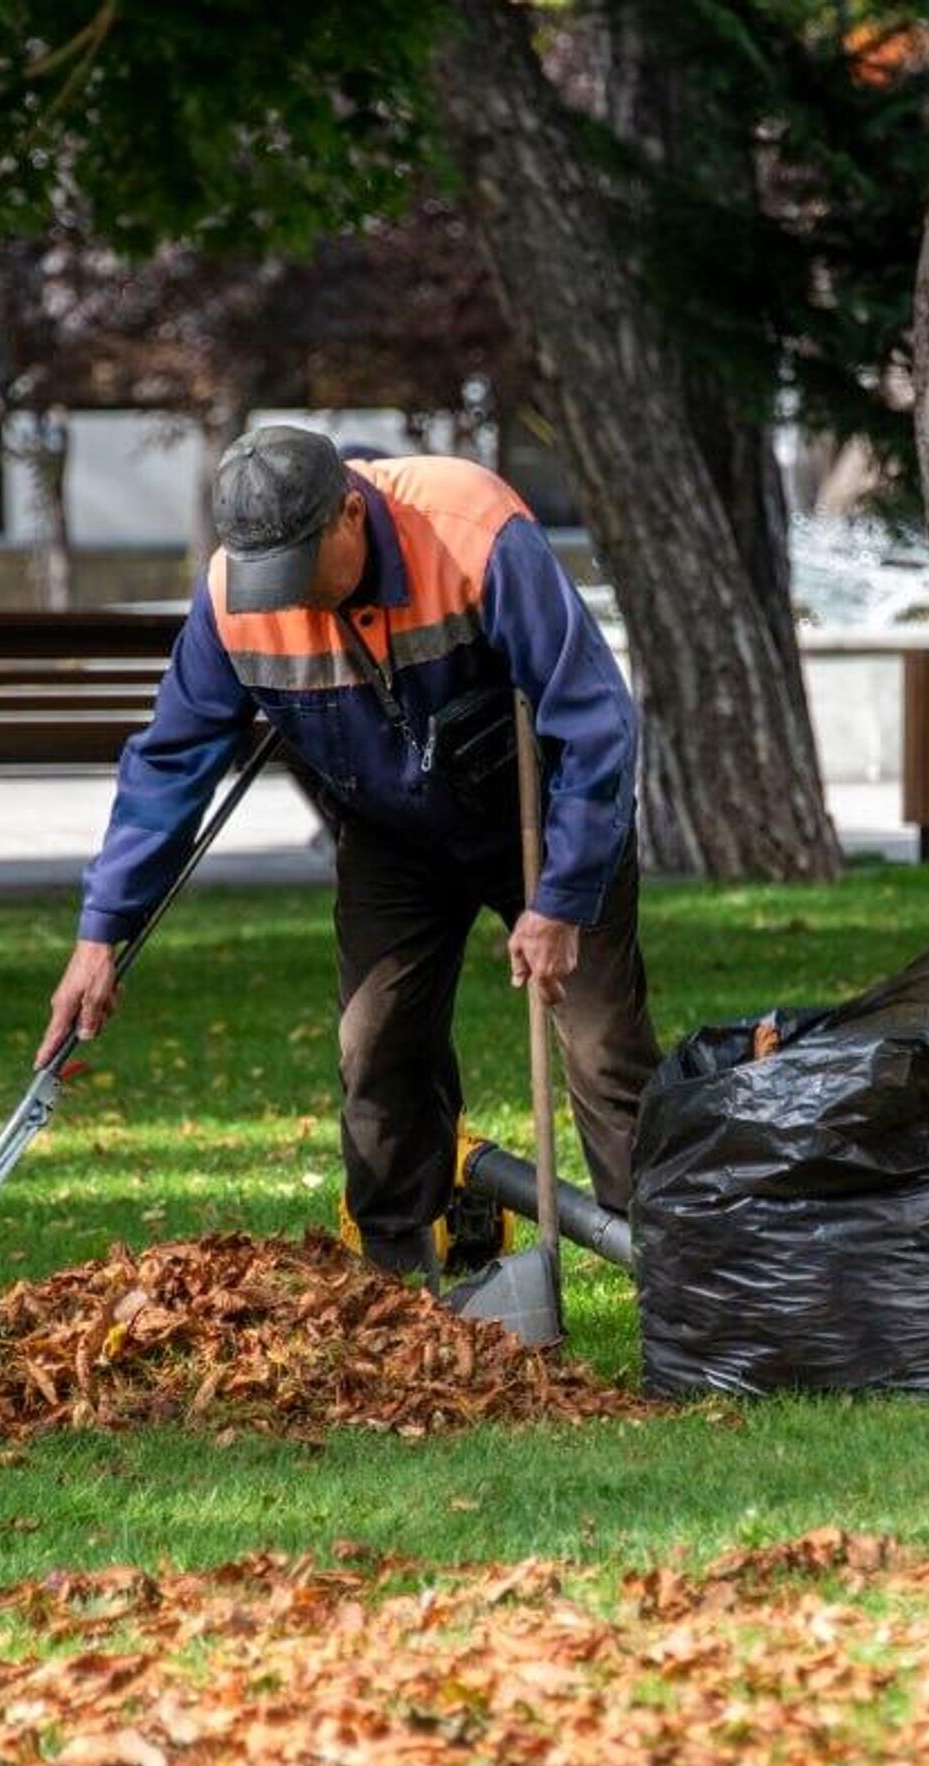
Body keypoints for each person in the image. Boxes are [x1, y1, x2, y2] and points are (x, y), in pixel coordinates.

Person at [35, 425, 660, 1278]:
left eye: (298, 569)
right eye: (269, 577)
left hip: (541, 819)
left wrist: (561, 898)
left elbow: (594, 720)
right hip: (393, 835)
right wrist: (101, 928)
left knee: (604, 1045)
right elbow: (171, 763)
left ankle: (673, 1273)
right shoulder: (231, 597)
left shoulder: (472, 528)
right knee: (375, 1049)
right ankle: (397, 1287)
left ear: (349, 516)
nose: (289, 600)